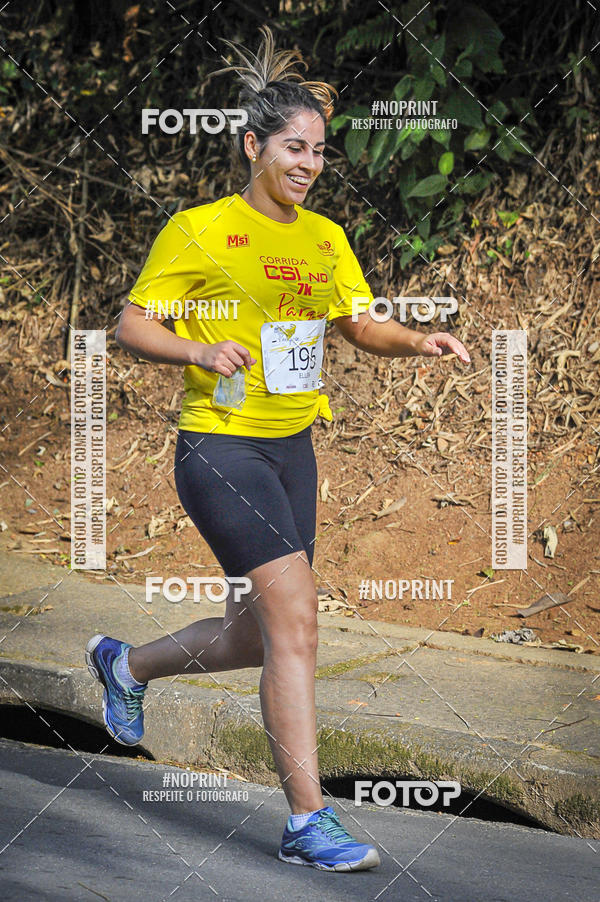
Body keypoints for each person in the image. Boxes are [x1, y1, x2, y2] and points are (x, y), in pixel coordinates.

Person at [85, 26, 470, 872]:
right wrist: (196, 350)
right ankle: (307, 822)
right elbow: (130, 323)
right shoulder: (198, 230)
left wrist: (418, 343)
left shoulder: (325, 239)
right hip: (220, 448)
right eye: (293, 147)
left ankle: (125, 665)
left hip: (293, 449)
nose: (308, 163)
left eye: (320, 151)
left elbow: (358, 324)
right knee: (296, 622)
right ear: (253, 146)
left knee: (258, 637)